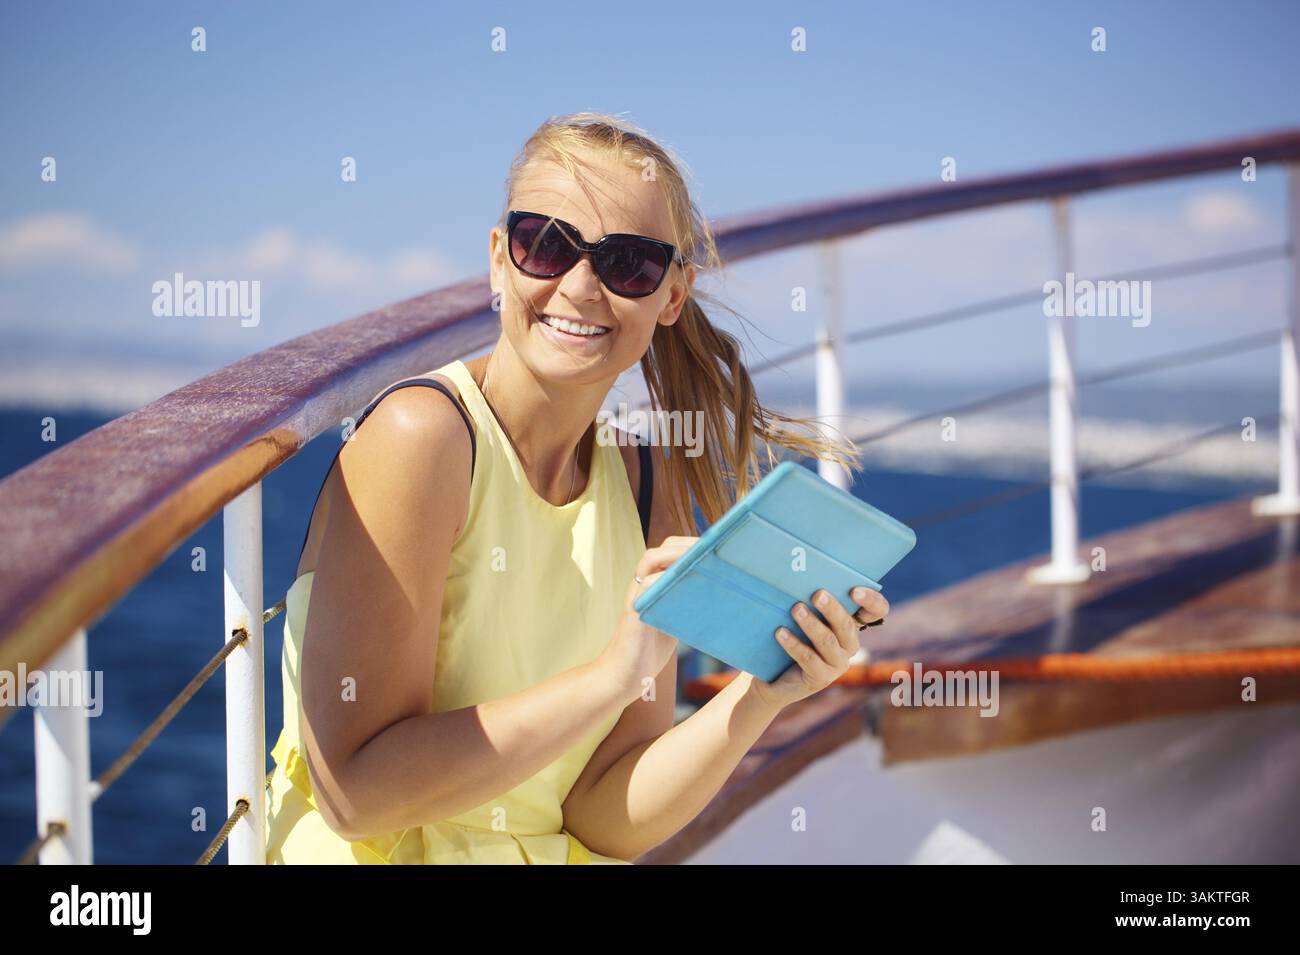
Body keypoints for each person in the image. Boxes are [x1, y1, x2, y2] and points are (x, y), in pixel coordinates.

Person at [264, 112, 888, 864]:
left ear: (672, 296)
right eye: (547, 244)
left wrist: (764, 693)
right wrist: (610, 678)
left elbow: (603, 814)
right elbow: (355, 795)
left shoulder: (647, 481)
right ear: (500, 260)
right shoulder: (423, 438)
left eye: (628, 264)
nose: (581, 286)